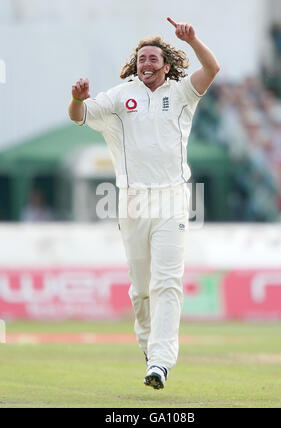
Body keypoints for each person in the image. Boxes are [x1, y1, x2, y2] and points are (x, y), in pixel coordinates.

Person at [68, 17, 220, 389]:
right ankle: (151, 351)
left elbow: (212, 69)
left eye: (153, 59)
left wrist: (193, 39)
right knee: (141, 289)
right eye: (142, 60)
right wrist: (75, 99)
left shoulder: (182, 93)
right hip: (133, 201)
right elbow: (78, 116)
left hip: (172, 199)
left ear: (166, 65)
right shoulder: (120, 96)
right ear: (136, 65)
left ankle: (161, 363)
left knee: (168, 282)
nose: (147, 64)